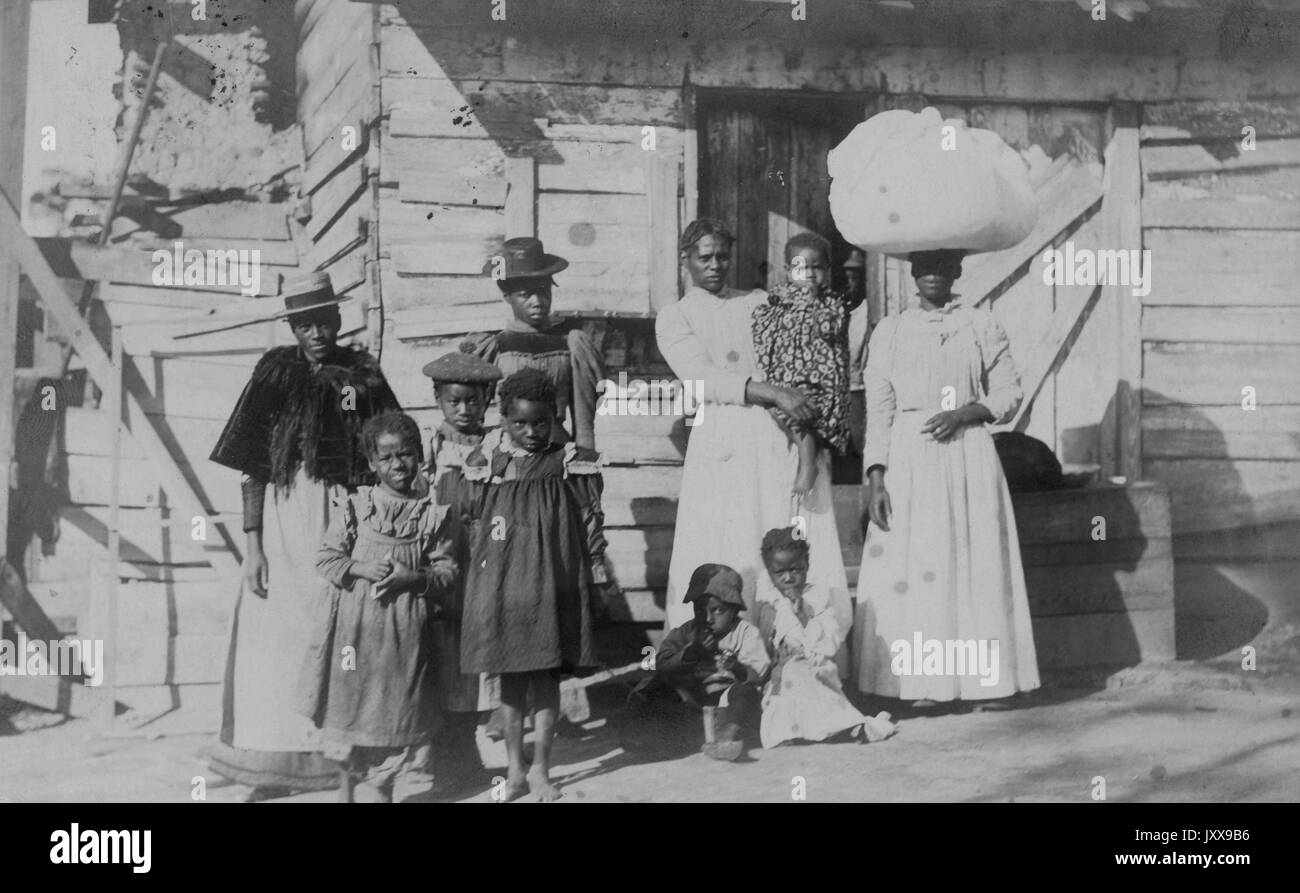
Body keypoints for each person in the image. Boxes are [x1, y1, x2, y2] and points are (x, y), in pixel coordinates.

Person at [208, 271, 401, 800]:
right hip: (285, 513)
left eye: (323, 321)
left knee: (336, 631)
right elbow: (252, 466)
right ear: (292, 325)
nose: (315, 332)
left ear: (338, 321)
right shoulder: (275, 373)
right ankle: (276, 764)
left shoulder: (360, 376)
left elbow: (388, 447)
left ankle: (340, 760)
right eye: (303, 323)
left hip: (344, 514)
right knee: (276, 633)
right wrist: (253, 546)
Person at [655, 218, 853, 677]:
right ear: (685, 259)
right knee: (732, 543)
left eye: (722, 256)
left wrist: (800, 418)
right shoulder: (676, 316)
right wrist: (775, 392)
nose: (714, 266)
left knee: (782, 535)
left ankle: (799, 663)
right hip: (721, 442)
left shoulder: (759, 302)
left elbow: (801, 349)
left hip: (775, 436)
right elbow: (703, 379)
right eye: (703, 257)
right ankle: (726, 671)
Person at [855, 249, 1040, 705]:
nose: (933, 275)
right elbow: (879, 409)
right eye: (924, 266)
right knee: (919, 566)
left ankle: (984, 682)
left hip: (967, 453)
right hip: (909, 455)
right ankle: (919, 685)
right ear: (912, 273)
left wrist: (965, 413)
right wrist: (876, 476)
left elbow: (1009, 392)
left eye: (943, 266)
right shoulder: (891, 330)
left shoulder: (980, 324)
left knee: (972, 561)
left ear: (957, 271)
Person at [459, 368, 611, 802]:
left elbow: (590, 520)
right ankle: (514, 768)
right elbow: (475, 519)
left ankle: (542, 768)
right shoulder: (490, 463)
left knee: (546, 677)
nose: (531, 432)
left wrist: (594, 572)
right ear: (503, 418)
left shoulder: (568, 461)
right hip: (503, 582)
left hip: (551, 581)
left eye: (540, 422)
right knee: (508, 680)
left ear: (553, 417)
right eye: (520, 423)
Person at [296, 411, 459, 803]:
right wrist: (361, 567)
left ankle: (384, 788)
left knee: (398, 713)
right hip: (355, 632)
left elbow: (448, 573)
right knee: (350, 710)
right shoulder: (356, 506)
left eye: (405, 455)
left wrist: (413, 579)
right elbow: (326, 558)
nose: (396, 464)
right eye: (385, 458)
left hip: (406, 636)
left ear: (419, 457)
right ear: (371, 463)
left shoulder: (433, 515)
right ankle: (347, 791)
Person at [419, 350, 503, 792]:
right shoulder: (429, 447)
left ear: (487, 399)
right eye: (455, 401)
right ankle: (444, 764)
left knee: (477, 663)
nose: (465, 410)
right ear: (438, 399)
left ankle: (468, 754)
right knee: (444, 659)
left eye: (474, 401)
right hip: (444, 564)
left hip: (484, 562)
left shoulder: (495, 445)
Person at [756, 527, 896, 748]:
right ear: (769, 572)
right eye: (779, 572)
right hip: (782, 673)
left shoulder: (816, 599)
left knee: (807, 683)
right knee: (784, 691)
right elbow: (764, 644)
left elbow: (829, 643)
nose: (789, 577)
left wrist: (803, 615)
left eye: (796, 569)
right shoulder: (769, 603)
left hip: (815, 668)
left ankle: (846, 726)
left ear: (807, 566)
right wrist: (774, 655)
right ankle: (790, 731)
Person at [462, 237, 604, 451]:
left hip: (556, 453)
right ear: (506, 295)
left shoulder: (572, 343)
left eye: (544, 291)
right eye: (525, 295)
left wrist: (585, 466)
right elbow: (473, 416)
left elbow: (584, 423)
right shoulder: (494, 347)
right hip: (510, 455)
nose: (537, 301)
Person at [627, 563, 771, 761]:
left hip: (727, 703)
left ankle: (728, 734)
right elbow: (661, 665)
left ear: (735, 609)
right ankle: (657, 738)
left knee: (745, 694)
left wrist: (736, 666)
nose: (708, 618)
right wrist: (689, 654)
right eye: (700, 611)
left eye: (717, 610)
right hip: (693, 704)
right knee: (654, 690)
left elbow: (758, 675)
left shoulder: (745, 633)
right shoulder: (685, 632)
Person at [751, 232, 852, 499]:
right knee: (778, 409)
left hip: (820, 378)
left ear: (827, 270)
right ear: (787, 270)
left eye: (816, 268)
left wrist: (814, 302)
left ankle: (808, 465)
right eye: (800, 267)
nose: (808, 273)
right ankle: (806, 460)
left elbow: (832, 329)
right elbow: (763, 327)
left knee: (806, 413)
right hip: (788, 376)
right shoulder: (778, 299)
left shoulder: (831, 303)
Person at [844, 249, 871, 457]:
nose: (849, 283)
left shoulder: (868, 311)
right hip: (839, 388)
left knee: (861, 438)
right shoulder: (839, 311)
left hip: (860, 389)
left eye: (854, 278)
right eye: (847, 278)